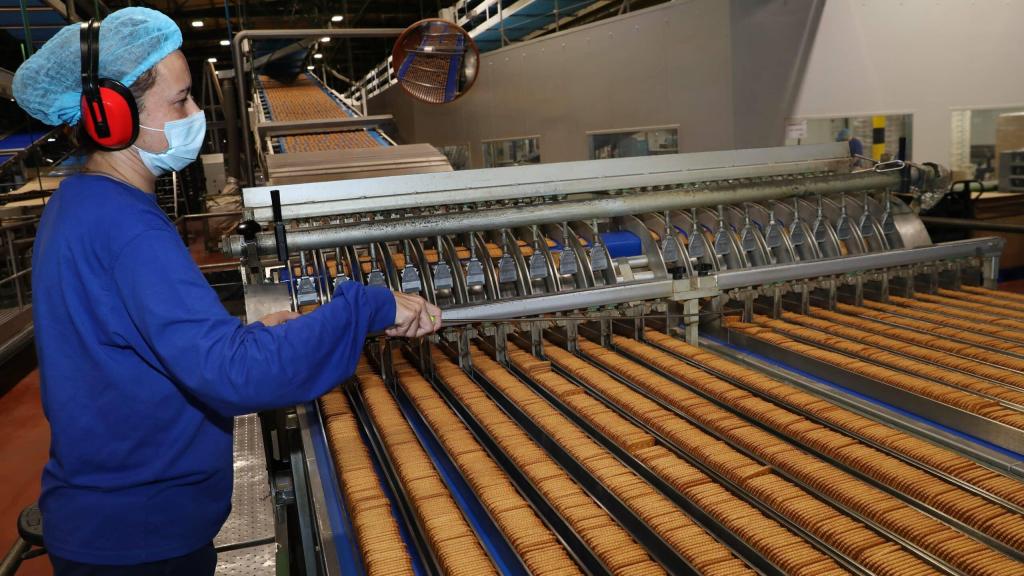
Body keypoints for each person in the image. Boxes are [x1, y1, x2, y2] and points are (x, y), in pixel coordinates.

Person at [12, 8, 442, 575]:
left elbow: (134, 344)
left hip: (111, 517)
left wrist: (239, 335)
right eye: (181, 100)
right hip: (142, 538)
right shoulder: (128, 228)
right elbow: (238, 375)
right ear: (110, 116)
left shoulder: (79, 203)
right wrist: (366, 305)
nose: (196, 116)